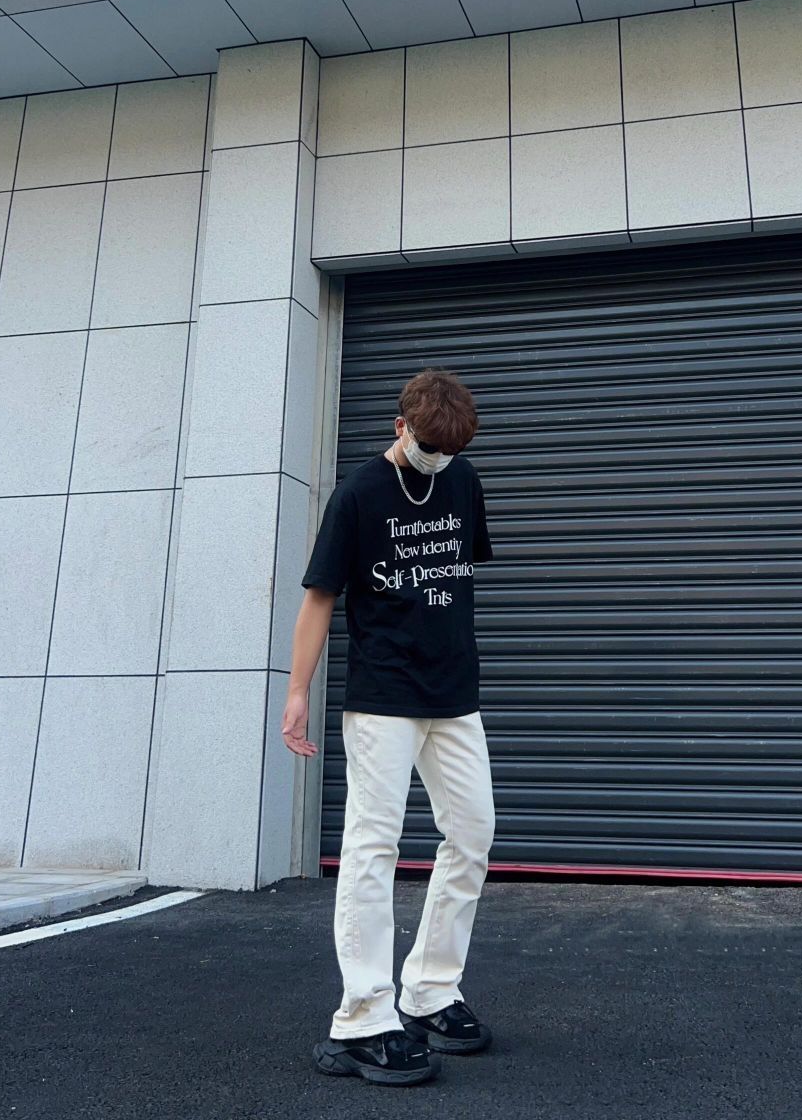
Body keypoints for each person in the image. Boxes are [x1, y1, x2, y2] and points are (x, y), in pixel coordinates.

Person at [281, 367, 496, 1087]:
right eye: (430, 447)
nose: (440, 460)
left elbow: (451, 578)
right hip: (382, 696)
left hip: (453, 695)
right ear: (401, 427)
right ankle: (363, 1016)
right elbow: (319, 598)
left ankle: (430, 990)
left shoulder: (462, 480)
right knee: (373, 845)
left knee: (473, 832)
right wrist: (297, 691)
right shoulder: (358, 495)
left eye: (451, 451)